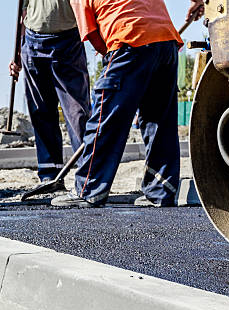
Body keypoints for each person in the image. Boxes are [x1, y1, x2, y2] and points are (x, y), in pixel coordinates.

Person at [52, 0, 204, 208]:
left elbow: (92, 34)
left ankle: (88, 190)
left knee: (105, 120)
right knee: (158, 122)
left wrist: (114, 61)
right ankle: (160, 192)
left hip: (129, 39)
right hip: (166, 41)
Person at [9, 0, 91, 189]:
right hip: (33, 41)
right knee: (41, 112)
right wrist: (18, 53)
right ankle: (50, 174)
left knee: (77, 114)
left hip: (68, 40)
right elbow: (23, 15)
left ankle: (88, 176)